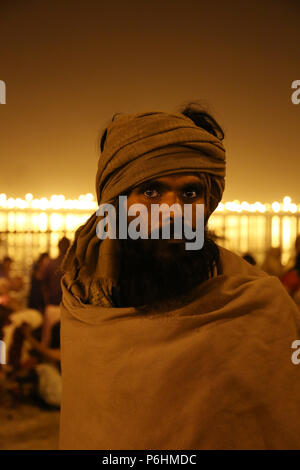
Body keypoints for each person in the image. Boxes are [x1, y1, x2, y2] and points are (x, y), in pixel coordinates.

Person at [59, 103, 300, 450]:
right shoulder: (84, 301)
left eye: (189, 193)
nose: (172, 212)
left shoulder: (258, 307)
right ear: (117, 204)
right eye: (151, 191)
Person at [41, 237, 70, 346]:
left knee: (47, 340)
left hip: (53, 306)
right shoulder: (74, 265)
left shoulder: (51, 264)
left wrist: (47, 301)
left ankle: (45, 357)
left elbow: (43, 285)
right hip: (69, 307)